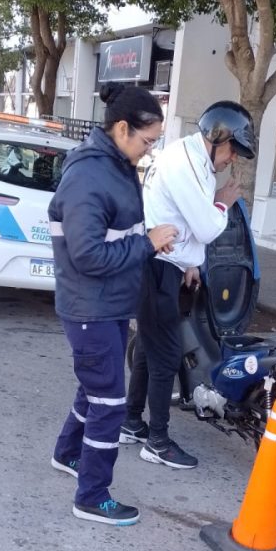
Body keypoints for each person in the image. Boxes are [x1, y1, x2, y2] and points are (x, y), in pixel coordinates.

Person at [49, 83, 177, 526]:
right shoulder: (91, 174)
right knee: (109, 404)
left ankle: (68, 453)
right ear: (122, 129)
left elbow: (112, 235)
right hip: (92, 309)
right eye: (147, 141)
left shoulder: (114, 164)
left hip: (106, 306)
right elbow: (87, 255)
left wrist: (146, 242)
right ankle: (92, 495)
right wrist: (147, 244)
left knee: (95, 390)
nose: (148, 151)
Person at [121, 101, 256, 468]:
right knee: (165, 355)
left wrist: (191, 263)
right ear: (216, 137)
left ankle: (132, 423)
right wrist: (223, 202)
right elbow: (208, 227)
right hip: (156, 267)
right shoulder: (186, 164)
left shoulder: (191, 159)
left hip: (166, 265)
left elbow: (181, 218)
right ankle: (158, 442)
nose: (232, 160)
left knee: (150, 351)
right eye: (232, 150)